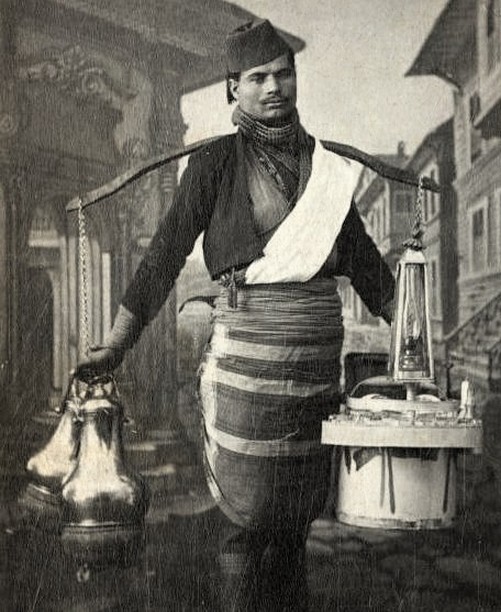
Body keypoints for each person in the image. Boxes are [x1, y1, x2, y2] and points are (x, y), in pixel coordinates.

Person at [77, 18, 395, 612]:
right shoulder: (216, 164)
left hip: (316, 368)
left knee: (295, 524)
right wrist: (117, 343)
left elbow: (368, 267)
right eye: (258, 77)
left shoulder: (324, 171)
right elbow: (164, 254)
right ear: (233, 89)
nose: (274, 86)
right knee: (245, 524)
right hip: (246, 363)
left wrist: (412, 329)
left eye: (283, 74)